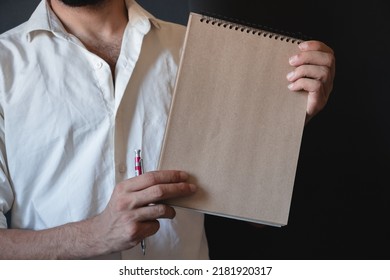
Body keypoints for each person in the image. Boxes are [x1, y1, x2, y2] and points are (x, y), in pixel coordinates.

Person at [0, 0, 335, 259]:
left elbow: (256, 215)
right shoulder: (4, 65)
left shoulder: (197, 51)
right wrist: (93, 235)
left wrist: (289, 121)